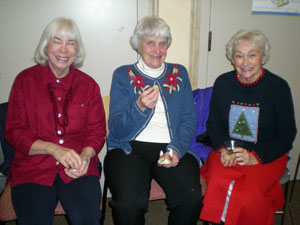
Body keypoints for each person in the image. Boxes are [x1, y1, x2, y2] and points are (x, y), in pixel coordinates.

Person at [5, 17, 106, 225]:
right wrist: (53, 149)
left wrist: (86, 157)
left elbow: (96, 132)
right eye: (57, 41)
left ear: (77, 50)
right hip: (33, 167)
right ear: (46, 45)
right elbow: (14, 132)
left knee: (88, 219)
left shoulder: (89, 85)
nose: (64, 49)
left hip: (79, 166)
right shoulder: (24, 81)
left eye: (71, 43)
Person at [104, 16, 202, 225]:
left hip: (170, 146)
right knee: (128, 204)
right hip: (129, 148)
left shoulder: (179, 73)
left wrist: (176, 149)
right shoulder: (123, 75)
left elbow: (187, 119)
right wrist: (139, 107)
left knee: (191, 198)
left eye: (162, 43)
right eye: (150, 43)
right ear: (139, 45)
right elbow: (116, 129)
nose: (157, 50)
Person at [199, 29, 297, 225]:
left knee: (248, 196)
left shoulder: (278, 87)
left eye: (252, 54)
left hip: (266, 153)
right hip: (229, 149)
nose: (245, 62)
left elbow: (287, 133)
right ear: (231, 58)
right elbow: (214, 124)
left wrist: (257, 156)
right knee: (217, 184)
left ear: (263, 56)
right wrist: (225, 149)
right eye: (239, 55)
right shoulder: (223, 83)